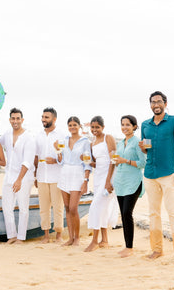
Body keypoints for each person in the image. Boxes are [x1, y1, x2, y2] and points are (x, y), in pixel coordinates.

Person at [140, 91, 174, 264]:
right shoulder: (145, 124)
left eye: (159, 101)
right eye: (153, 102)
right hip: (150, 174)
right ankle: (157, 249)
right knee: (153, 213)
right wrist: (143, 148)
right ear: (150, 105)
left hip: (169, 174)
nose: (156, 104)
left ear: (165, 103)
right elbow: (145, 149)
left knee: (173, 212)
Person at [0, 108, 35, 244]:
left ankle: (21, 237)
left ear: (22, 120)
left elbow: (28, 161)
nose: (15, 121)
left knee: (23, 208)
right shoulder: (7, 134)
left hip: (23, 177)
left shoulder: (28, 137)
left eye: (18, 118)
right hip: (9, 175)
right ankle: (12, 235)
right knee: (6, 207)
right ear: (9, 120)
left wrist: (19, 180)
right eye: (13, 118)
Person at [113, 115, 146, 258]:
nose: (125, 127)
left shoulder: (138, 142)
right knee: (123, 215)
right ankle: (127, 246)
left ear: (134, 126)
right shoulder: (120, 143)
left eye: (128, 124)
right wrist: (116, 161)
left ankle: (130, 247)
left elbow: (142, 163)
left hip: (133, 182)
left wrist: (124, 160)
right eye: (122, 124)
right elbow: (118, 160)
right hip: (120, 182)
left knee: (127, 213)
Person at [84, 116, 118, 252]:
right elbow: (97, 163)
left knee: (95, 207)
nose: (94, 130)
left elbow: (113, 160)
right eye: (92, 127)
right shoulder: (92, 142)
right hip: (98, 178)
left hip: (108, 178)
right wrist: (87, 161)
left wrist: (108, 181)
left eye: (97, 127)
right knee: (102, 208)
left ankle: (94, 241)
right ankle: (104, 240)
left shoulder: (108, 138)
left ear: (103, 127)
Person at [56, 116, 91, 246]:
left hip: (77, 173)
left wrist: (86, 180)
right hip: (65, 172)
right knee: (66, 207)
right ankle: (70, 238)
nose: (72, 127)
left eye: (74, 125)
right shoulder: (64, 140)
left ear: (79, 126)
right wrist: (58, 153)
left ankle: (77, 238)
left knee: (73, 207)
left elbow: (87, 162)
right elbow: (61, 160)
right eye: (70, 125)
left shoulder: (85, 141)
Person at [34, 107, 65, 243]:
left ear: (54, 119)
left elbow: (65, 157)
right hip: (41, 176)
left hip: (57, 177)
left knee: (58, 207)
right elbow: (36, 157)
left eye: (46, 117)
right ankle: (46, 235)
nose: (43, 119)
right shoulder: (38, 136)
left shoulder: (61, 135)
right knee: (44, 208)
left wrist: (56, 160)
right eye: (42, 117)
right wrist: (35, 175)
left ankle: (58, 235)